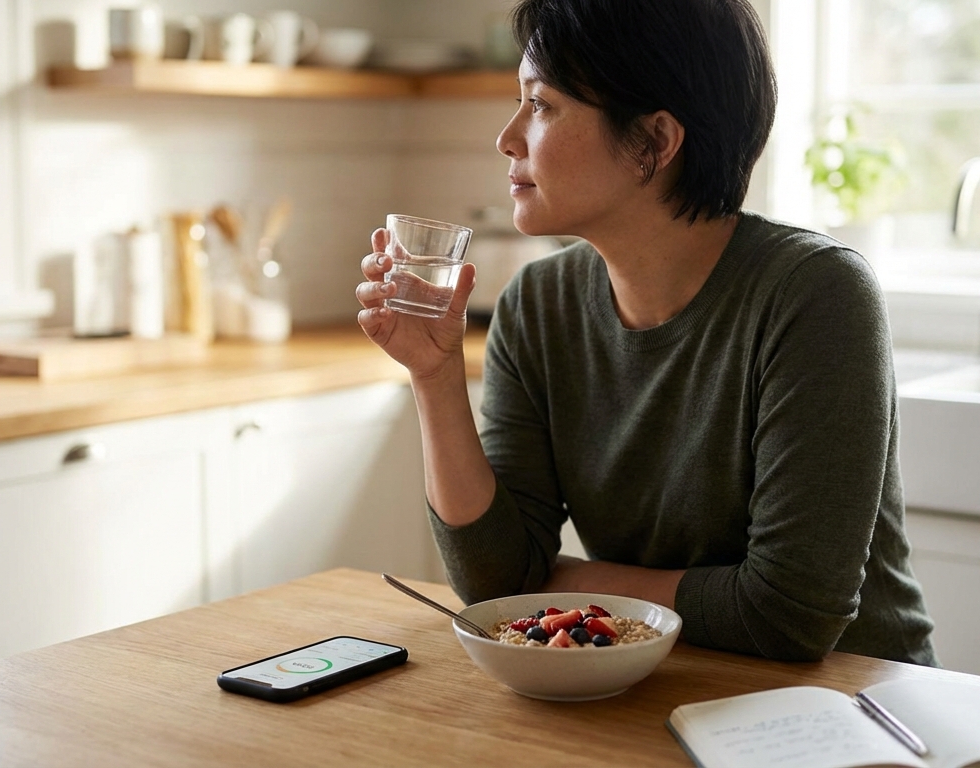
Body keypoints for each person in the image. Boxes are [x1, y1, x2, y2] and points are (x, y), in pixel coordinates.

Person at [355, 0, 936, 665]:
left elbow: (789, 615)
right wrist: (433, 377)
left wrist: (560, 581)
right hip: (651, 680)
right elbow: (495, 581)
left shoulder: (815, 294)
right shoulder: (537, 306)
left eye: (543, 105)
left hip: (853, 706)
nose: (508, 137)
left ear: (653, 143)